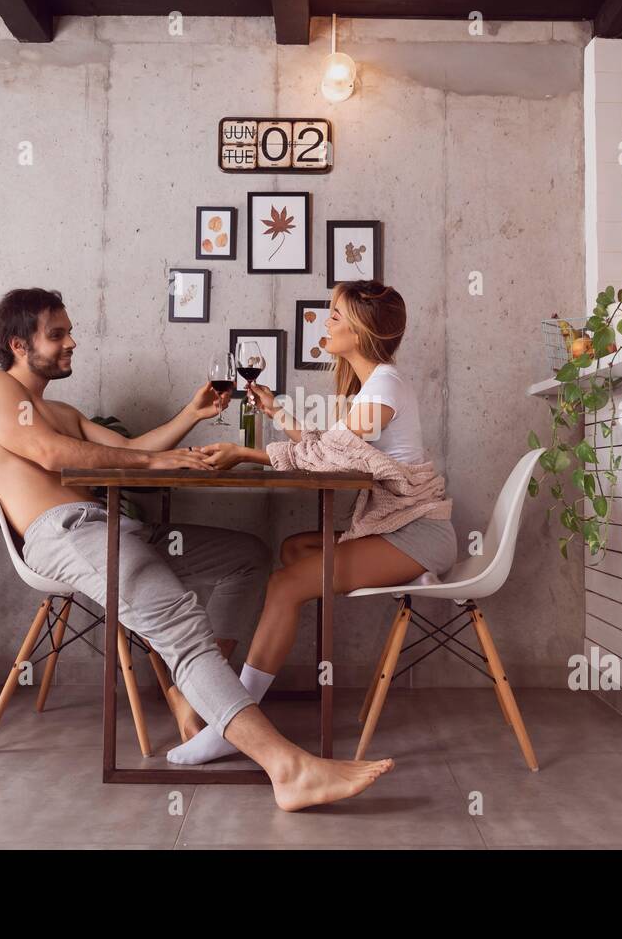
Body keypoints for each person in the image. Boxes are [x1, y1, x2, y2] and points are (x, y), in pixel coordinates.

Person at [0, 287, 393, 809]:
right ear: (17, 344)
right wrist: (156, 466)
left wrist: (191, 414)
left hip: (108, 527)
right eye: (57, 334)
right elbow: (52, 456)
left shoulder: (60, 409)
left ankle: (200, 695)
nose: (72, 341)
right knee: (179, 622)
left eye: (70, 330)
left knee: (247, 556)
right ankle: (289, 768)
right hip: (65, 534)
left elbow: (126, 451)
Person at [168, 279, 456, 765]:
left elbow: (326, 457)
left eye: (337, 316)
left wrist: (243, 453)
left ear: (362, 330)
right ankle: (394, 571)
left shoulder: (384, 384)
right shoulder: (377, 385)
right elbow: (333, 447)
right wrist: (277, 412)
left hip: (419, 534)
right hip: (401, 528)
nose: (327, 323)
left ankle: (231, 721)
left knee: (285, 585)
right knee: (297, 550)